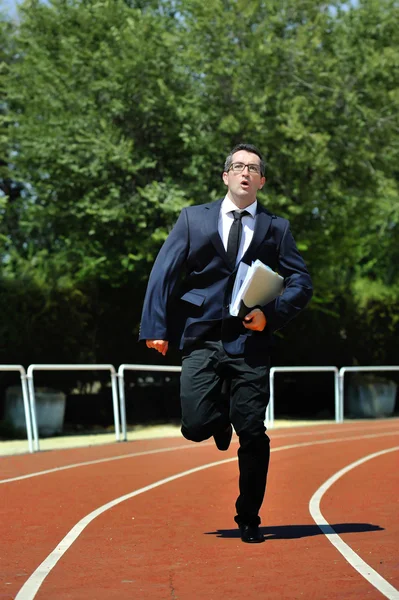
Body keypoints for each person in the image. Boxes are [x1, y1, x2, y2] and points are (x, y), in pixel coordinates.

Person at [139, 143, 313, 543]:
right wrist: (156, 327)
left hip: (250, 341)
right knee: (195, 426)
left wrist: (272, 315)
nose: (245, 173)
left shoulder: (277, 227)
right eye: (238, 166)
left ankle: (249, 517)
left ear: (262, 181)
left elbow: (301, 281)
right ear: (226, 176)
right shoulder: (192, 219)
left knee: (252, 430)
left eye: (253, 168)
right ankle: (218, 423)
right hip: (200, 335)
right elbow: (163, 272)